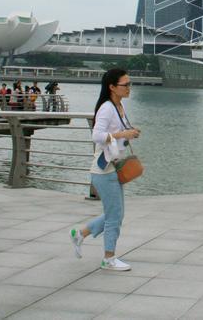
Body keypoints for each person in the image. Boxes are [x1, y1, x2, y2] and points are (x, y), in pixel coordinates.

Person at [69, 68, 140, 271]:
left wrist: (130, 134)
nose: (129, 88)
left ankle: (80, 234)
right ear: (112, 87)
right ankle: (108, 258)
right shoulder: (107, 108)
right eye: (125, 85)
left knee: (115, 214)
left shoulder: (119, 107)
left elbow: (116, 135)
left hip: (113, 167)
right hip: (103, 170)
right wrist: (122, 134)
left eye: (129, 84)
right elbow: (97, 135)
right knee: (115, 216)